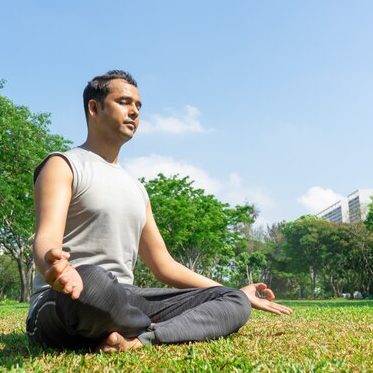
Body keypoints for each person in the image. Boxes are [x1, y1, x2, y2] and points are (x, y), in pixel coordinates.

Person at [27, 70, 292, 353]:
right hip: (69, 298)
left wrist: (234, 291)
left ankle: (142, 338)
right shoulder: (64, 164)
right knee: (93, 283)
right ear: (94, 108)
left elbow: (164, 265)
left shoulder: (137, 189)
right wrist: (55, 267)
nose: (134, 112)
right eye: (124, 102)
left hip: (125, 298)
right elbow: (46, 240)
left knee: (233, 301)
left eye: (139, 107)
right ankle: (141, 323)